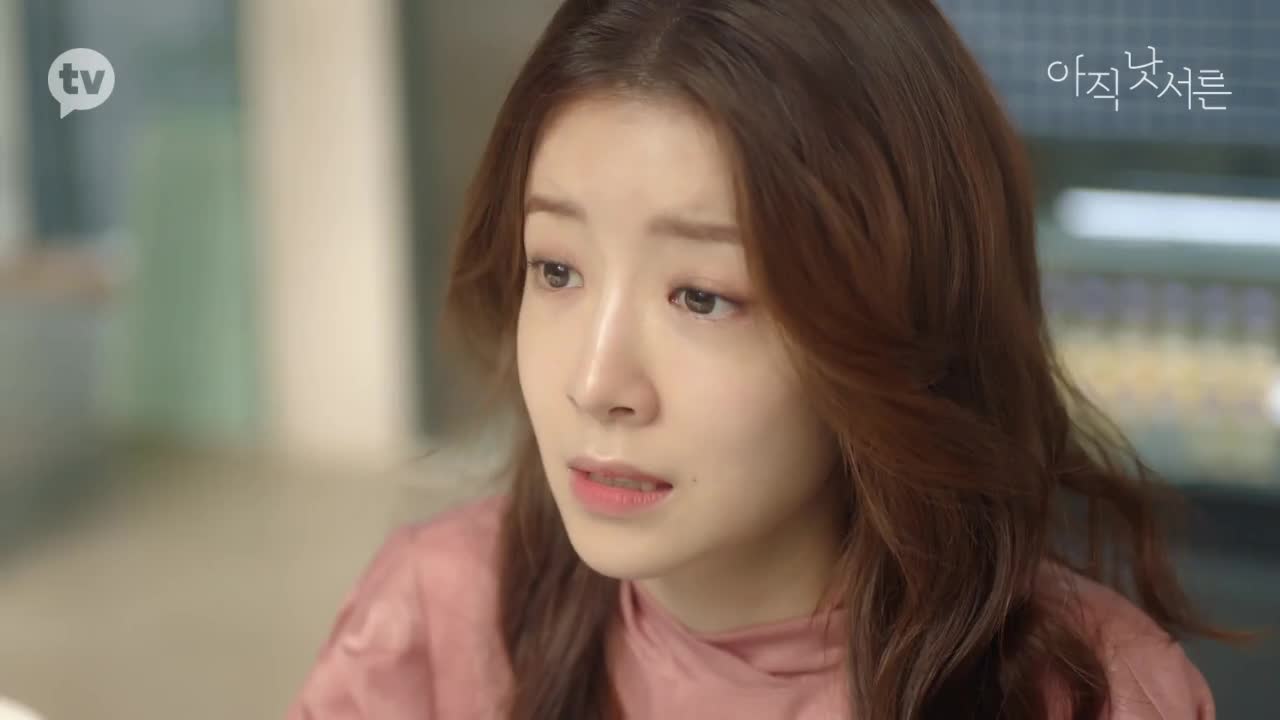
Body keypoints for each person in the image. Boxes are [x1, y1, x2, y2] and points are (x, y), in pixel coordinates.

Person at [286, 1, 1235, 718]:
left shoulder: (1096, 691)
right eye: (557, 269)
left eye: (703, 296)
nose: (595, 383)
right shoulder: (431, 626)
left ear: (897, 315)